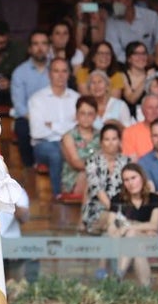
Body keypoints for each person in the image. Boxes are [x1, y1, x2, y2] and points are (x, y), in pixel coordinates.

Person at [28, 57, 79, 196]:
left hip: (72, 142)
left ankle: (79, 194)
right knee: (56, 154)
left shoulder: (77, 98)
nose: (60, 75)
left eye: (64, 71)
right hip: (44, 144)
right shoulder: (37, 99)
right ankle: (59, 196)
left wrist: (53, 125)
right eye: (56, 71)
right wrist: (68, 128)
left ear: (69, 74)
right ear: (49, 74)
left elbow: (81, 126)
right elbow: (37, 132)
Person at [106, 163, 158, 286]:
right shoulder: (117, 199)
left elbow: (154, 225)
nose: (130, 183)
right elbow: (111, 225)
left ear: (142, 177)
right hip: (125, 241)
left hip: (149, 240)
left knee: (132, 235)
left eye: (133, 178)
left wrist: (129, 226)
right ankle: (146, 288)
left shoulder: (154, 198)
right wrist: (140, 227)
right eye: (126, 180)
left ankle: (117, 278)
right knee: (136, 246)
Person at [9, 31, 52, 170]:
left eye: (44, 44)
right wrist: (39, 120)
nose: (40, 48)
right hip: (28, 118)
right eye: (36, 44)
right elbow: (19, 106)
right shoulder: (20, 72)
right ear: (29, 48)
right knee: (22, 128)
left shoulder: (57, 69)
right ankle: (29, 169)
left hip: (54, 117)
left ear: (49, 47)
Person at [81, 123, 130, 235]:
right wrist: (116, 213)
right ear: (101, 142)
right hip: (97, 208)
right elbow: (97, 190)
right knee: (115, 221)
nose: (111, 143)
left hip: (122, 208)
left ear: (120, 141)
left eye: (114, 139)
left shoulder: (127, 162)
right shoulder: (92, 162)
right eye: (107, 139)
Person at [104, 0, 158, 64]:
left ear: (129, 1)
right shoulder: (111, 23)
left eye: (118, 0)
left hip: (152, 61)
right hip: (127, 65)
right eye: (112, 2)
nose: (114, 5)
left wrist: (156, 56)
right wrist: (137, 60)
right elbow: (116, 52)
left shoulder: (150, 16)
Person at [61, 96, 99, 197]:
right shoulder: (69, 136)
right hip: (75, 177)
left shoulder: (101, 136)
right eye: (82, 113)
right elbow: (76, 162)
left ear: (95, 116)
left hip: (99, 175)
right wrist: (98, 167)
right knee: (85, 175)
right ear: (77, 115)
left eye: (90, 114)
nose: (86, 117)